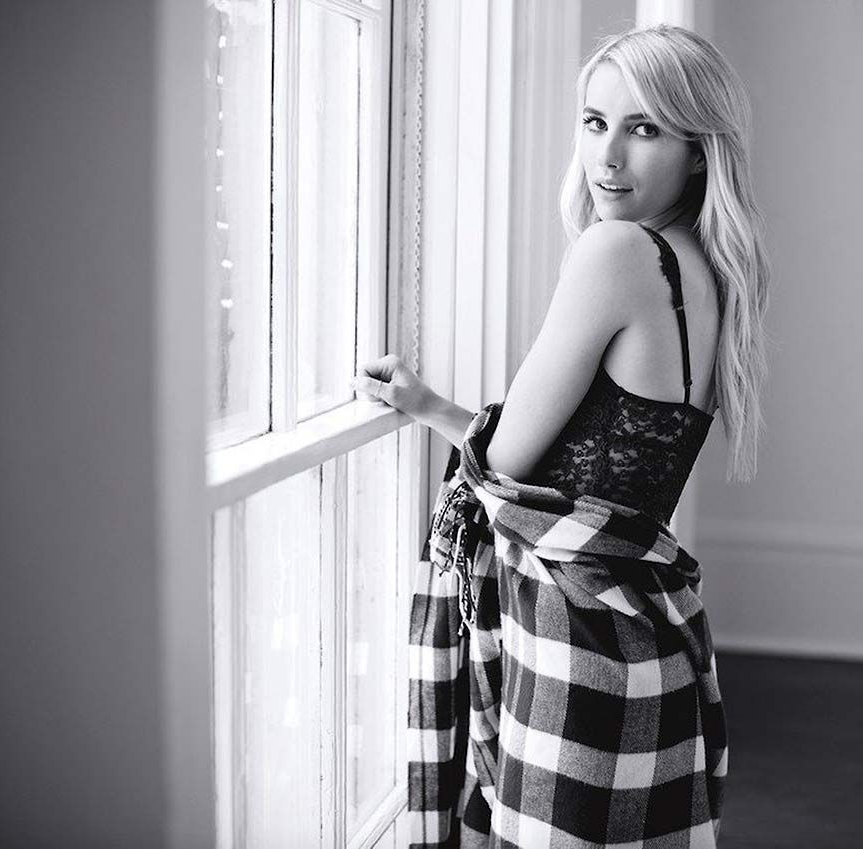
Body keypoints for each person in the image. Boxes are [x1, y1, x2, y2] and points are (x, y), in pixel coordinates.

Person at [354, 23, 769, 847]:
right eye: (594, 122)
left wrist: (448, 421)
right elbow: (583, 468)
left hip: (575, 644)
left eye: (644, 128)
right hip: (650, 636)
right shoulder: (708, 269)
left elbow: (508, 463)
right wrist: (432, 404)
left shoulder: (617, 253)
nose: (607, 156)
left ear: (697, 152)